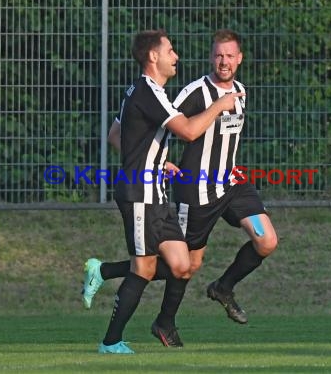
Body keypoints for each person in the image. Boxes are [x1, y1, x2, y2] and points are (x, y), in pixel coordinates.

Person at [95, 29, 244, 354]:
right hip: (138, 195)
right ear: (153, 57)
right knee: (145, 268)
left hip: (157, 194)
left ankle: (103, 270)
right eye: (170, 50)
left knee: (182, 264)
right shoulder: (149, 92)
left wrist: (156, 160)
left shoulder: (150, 91)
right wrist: (221, 104)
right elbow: (189, 131)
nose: (176, 56)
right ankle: (111, 342)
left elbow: (117, 133)